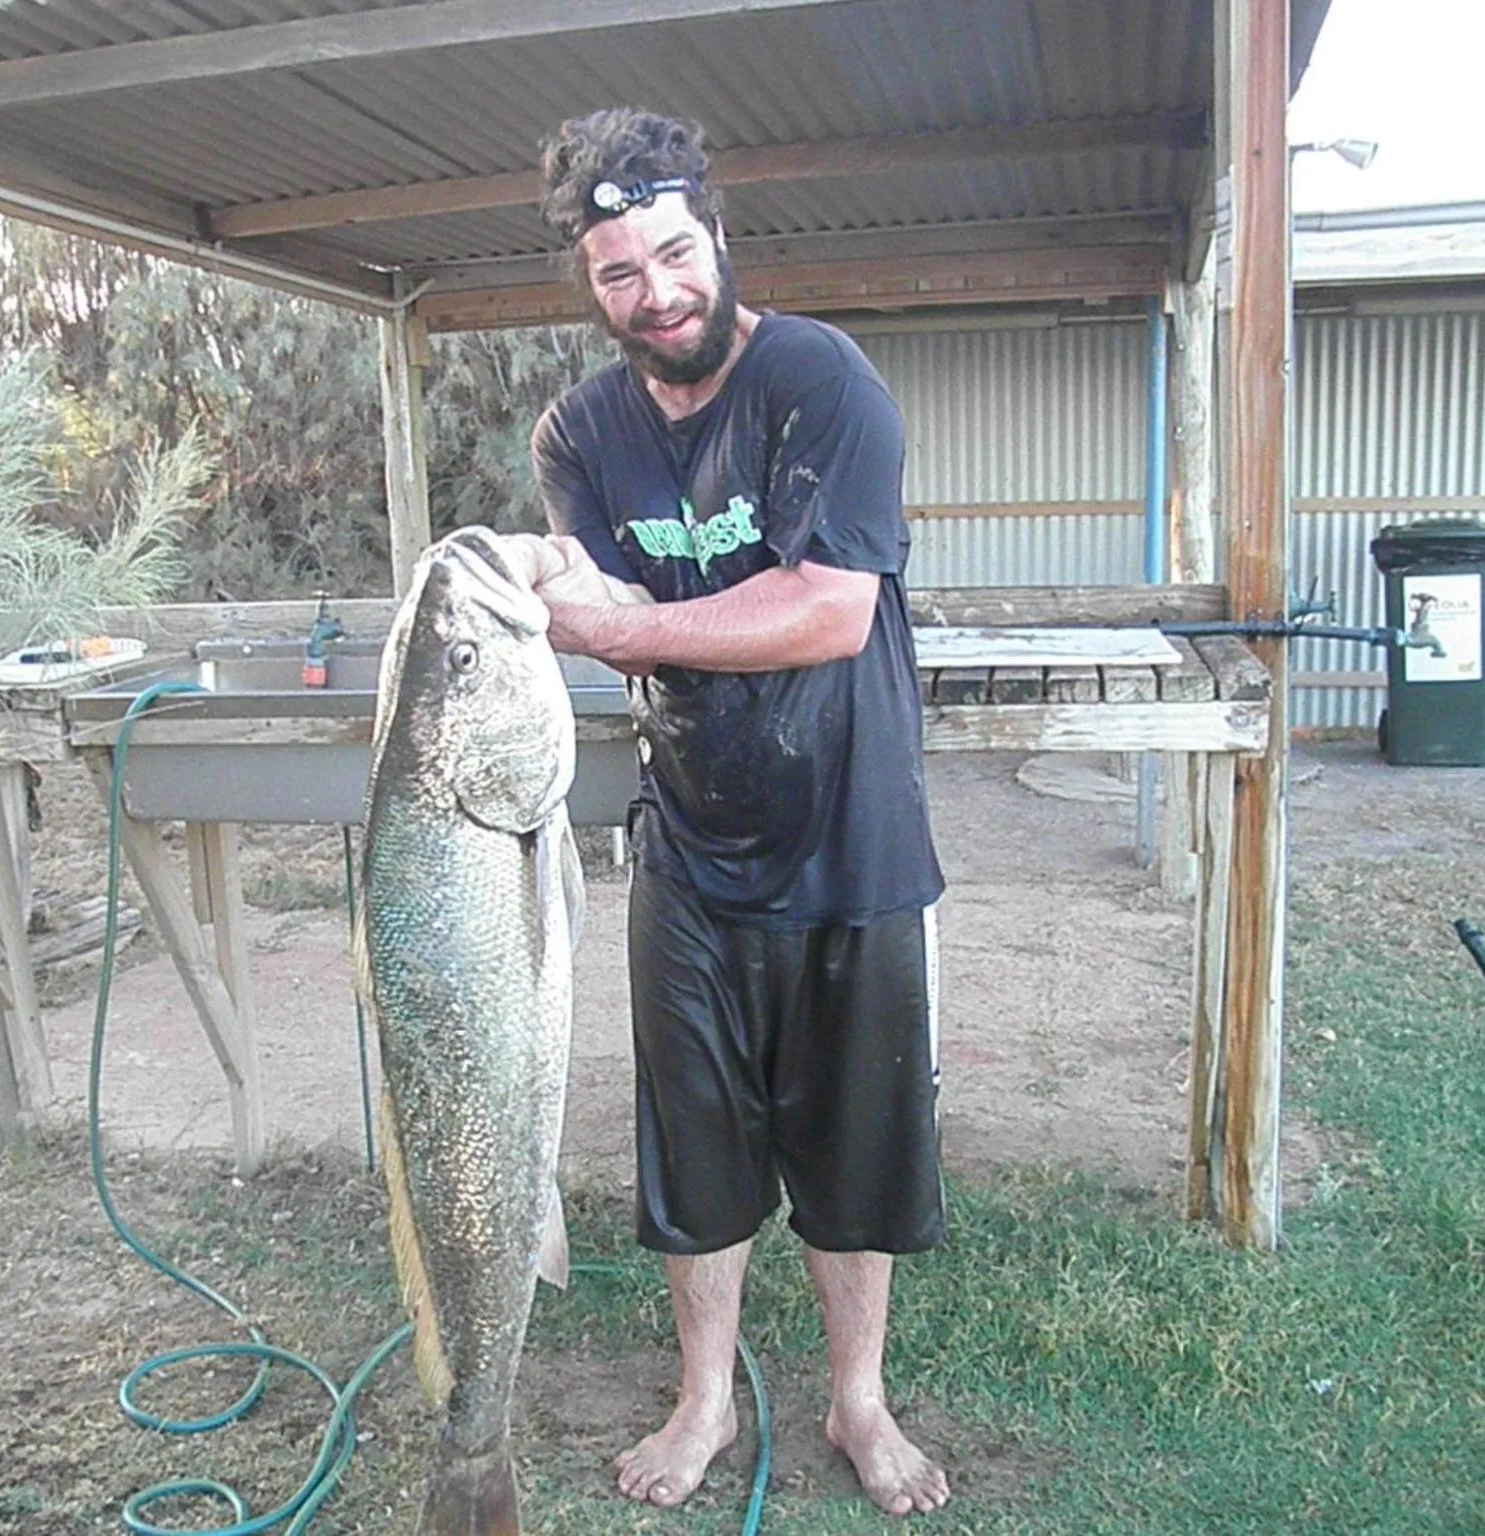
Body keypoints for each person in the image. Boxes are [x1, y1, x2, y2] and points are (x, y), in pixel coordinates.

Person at [526, 108, 951, 1519]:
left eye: (672, 251)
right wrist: (553, 599)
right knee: (696, 1147)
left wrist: (623, 630)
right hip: (692, 844)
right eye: (619, 274)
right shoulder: (578, 431)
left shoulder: (821, 380)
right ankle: (703, 1396)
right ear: (589, 290)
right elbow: (593, 601)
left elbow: (829, 612)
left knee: (853, 1143)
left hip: (852, 834)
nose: (658, 293)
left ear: (718, 232)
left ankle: (856, 1401)